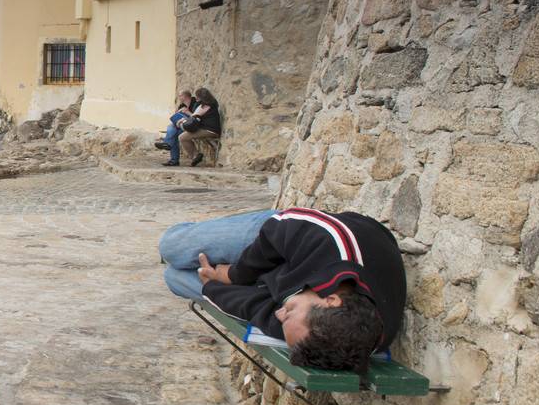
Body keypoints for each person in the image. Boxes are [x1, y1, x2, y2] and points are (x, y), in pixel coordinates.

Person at [159, 206, 405, 374]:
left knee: (175, 277)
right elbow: (284, 224)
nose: (279, 315)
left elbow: (259, 310)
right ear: (330, 299)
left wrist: (212, 287)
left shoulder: (321, 336)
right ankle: (199, 238)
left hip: (278, 283)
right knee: (172, 248)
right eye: (289, 313)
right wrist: (231, 275)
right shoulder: (333, 244)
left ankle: (202, 267)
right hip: (278, 241)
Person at [175, 87, 223, 168]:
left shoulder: (205, 106)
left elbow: (193, 118)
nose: (196, 98)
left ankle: (195, 156)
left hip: (209, 130)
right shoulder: (210, 104)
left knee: (182, 137)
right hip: (208, 129)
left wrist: (182, 121)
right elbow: (195, 117)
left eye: (197, 96)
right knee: (184, 136)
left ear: (201, 97)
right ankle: (196, 156)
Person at [155, 91, 195, 166]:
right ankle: (169, 148)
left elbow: (197, 117)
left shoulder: (195, 103)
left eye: (180, 96)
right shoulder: (181, 106)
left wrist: (187, 113)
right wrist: (178, 118)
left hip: (193, 127)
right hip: (183, 126)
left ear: (185, 96)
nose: (179, 97)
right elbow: (179, 117)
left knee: (172, 131)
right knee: (172, 128)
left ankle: (172, 156)